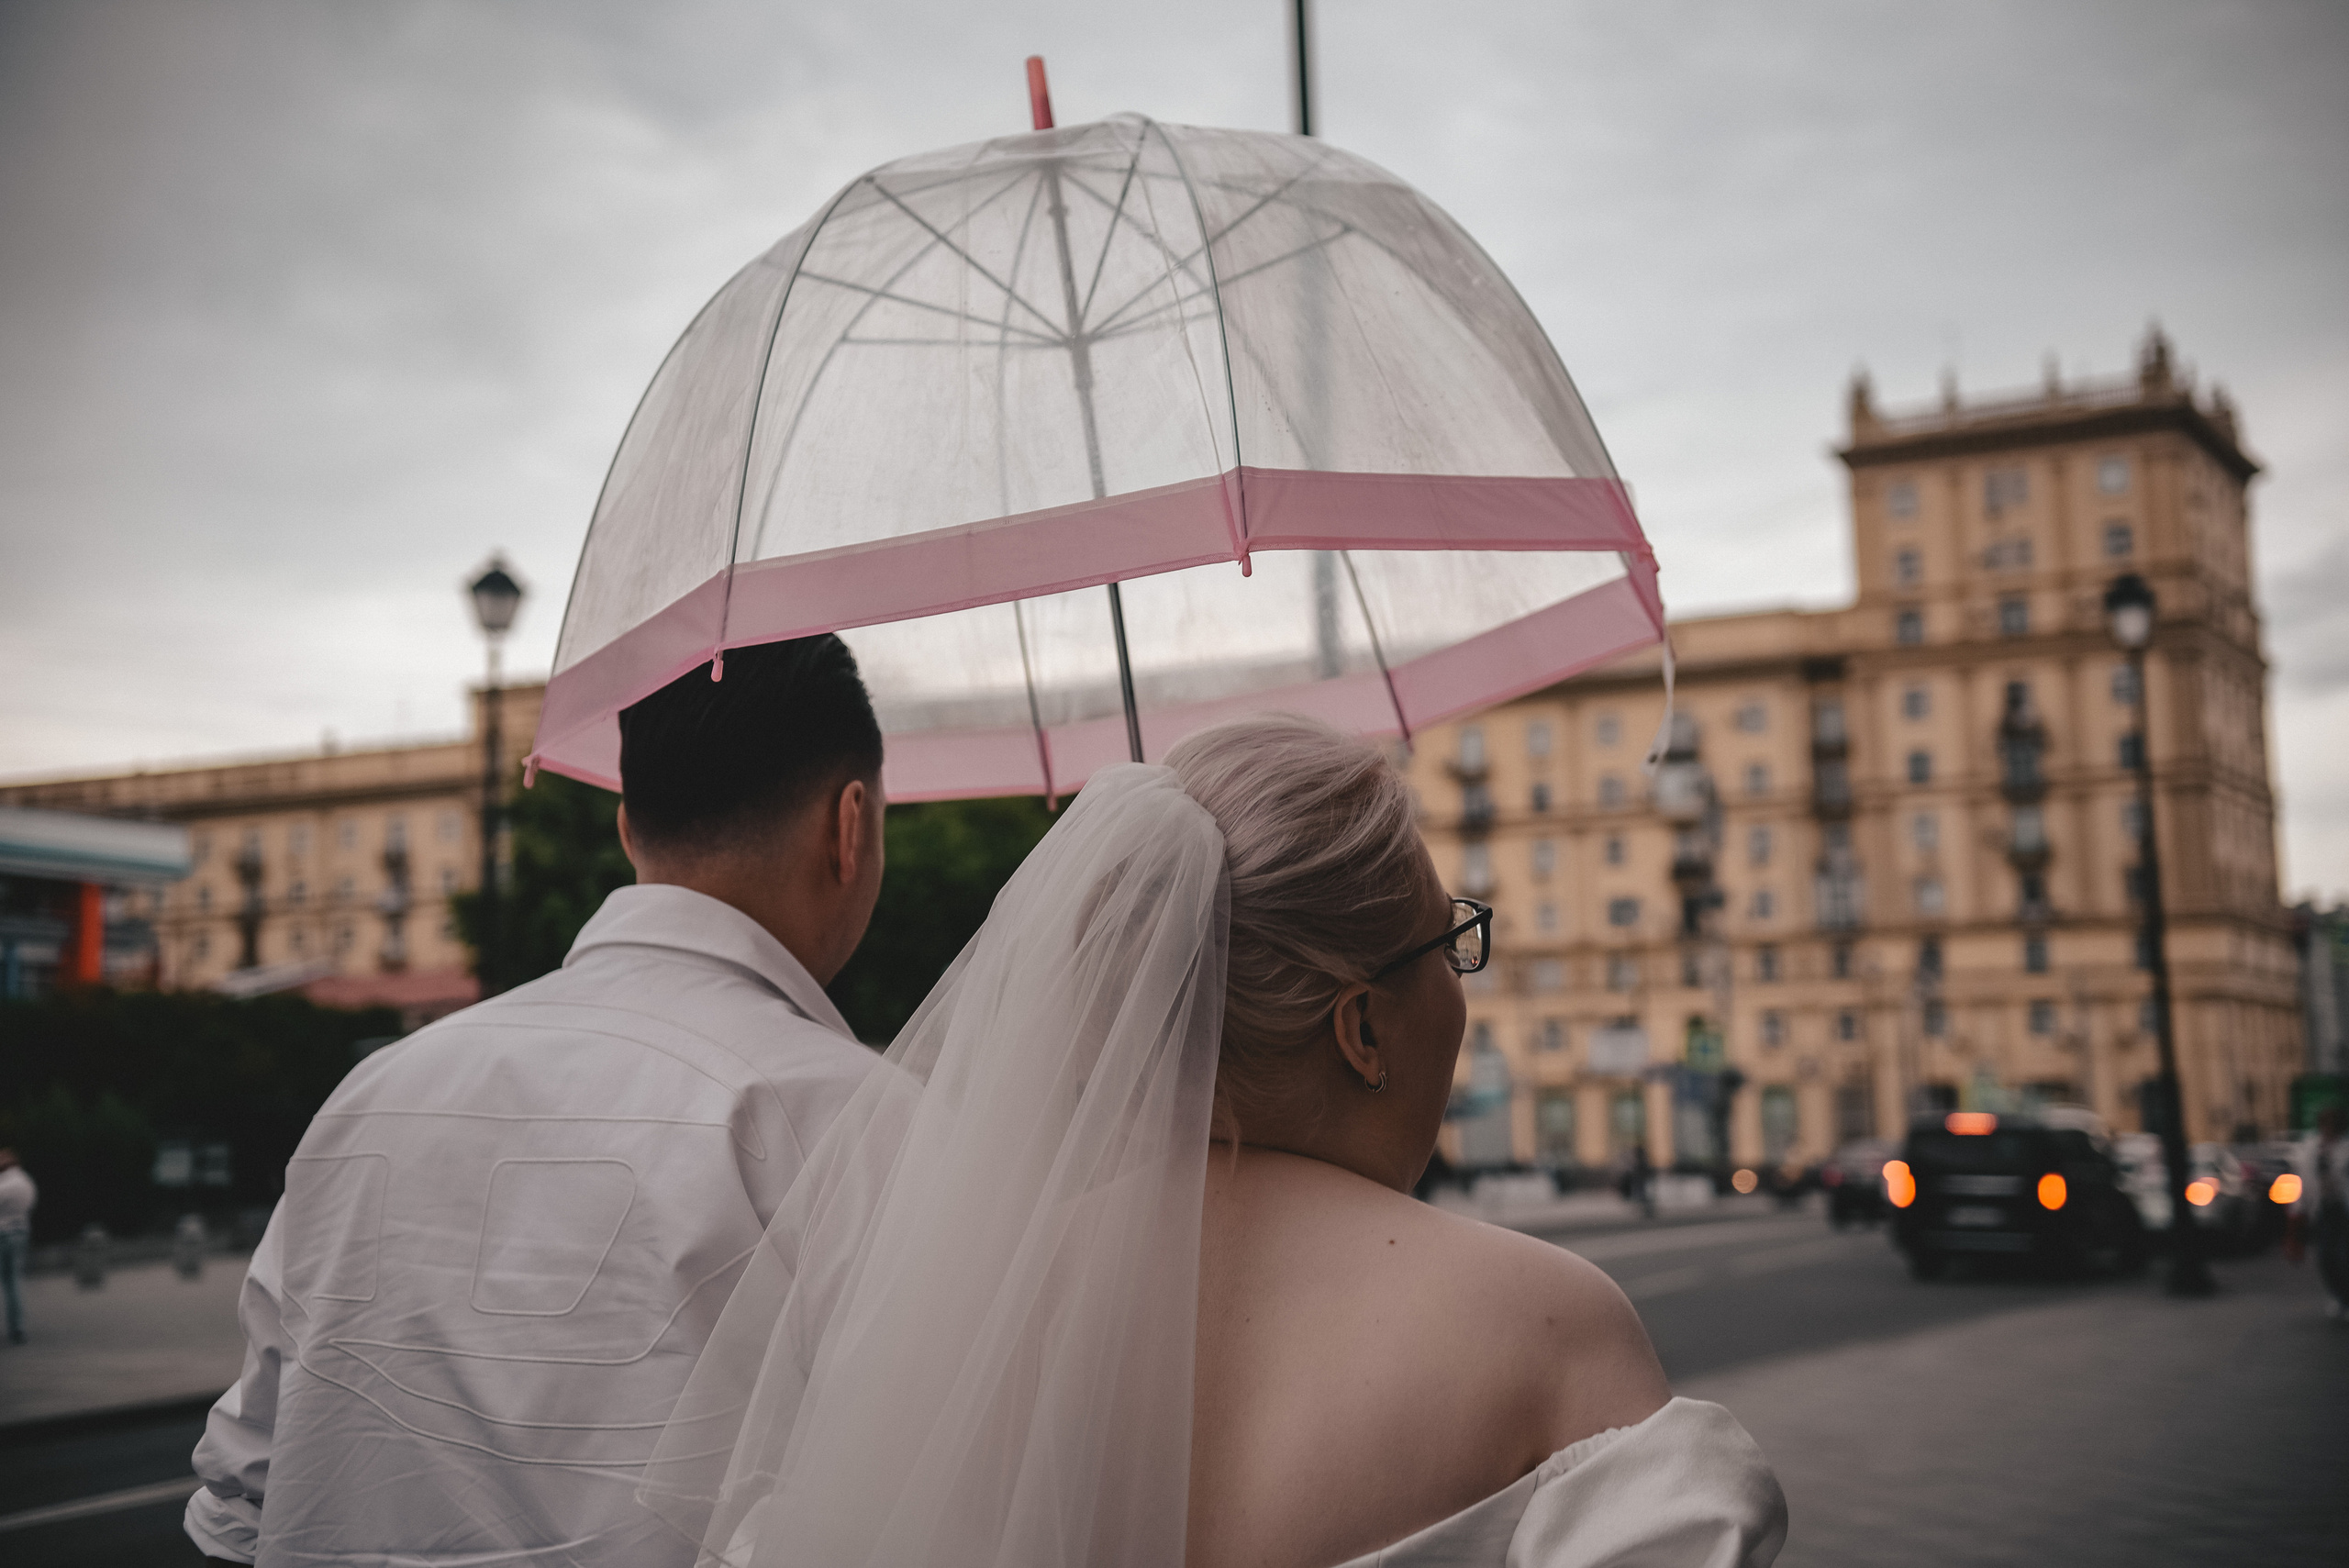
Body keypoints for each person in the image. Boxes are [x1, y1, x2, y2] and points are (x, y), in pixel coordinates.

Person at [642, 715, 1782, 1568]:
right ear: (1363, 1022)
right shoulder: (1547, 1319)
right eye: (1451, 941)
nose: (1460, 984)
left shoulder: (964, 1305)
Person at [185, 636, 889, 1565]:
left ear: (628, 827)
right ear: (849, 825)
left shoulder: (372, 1093)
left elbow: (239, 1493)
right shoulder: (856, 1119)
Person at [2284, 1103, 2349, 1320]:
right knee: (2325, 1257)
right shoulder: (2311, 1148)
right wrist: (2298, 1209)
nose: (2327, 1129)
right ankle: (2339, 1297)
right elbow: (2304, 1181)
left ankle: (2345, 1298)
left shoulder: (2345, 1148)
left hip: (2342, 1209)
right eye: (2324, 1124)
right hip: (2322, 1209)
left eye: (2331, 1125)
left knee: (2343, 1257)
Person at [0, 1147, 34, 1345]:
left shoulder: (4, 1182)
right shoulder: (25, 1181)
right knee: (13, 1281)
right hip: (21, 1232)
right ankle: (17, 1327)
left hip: (3, 1233)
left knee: (8, 1281)